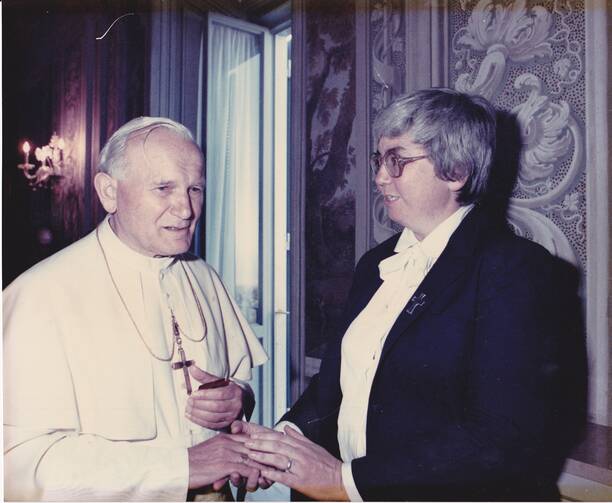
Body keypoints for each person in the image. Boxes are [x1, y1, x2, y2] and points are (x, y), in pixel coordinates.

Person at [234, 88, 587, 501]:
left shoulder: (516, 270)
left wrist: (346, 482)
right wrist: (281, 443)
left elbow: (503, 439)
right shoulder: (376, 263)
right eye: (379, 160)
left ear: (456, 170)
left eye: (397, 161)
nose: (381, 176)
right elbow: (334, 386)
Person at [4, 117, 268, 501]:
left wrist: (237, 398)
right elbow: (19, 467)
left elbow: (239, 381)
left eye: (195, 188)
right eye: (164, 188)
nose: (186, 209)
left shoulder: (204, 277)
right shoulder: (38, 296)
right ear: (109, 192)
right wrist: (183, 468)